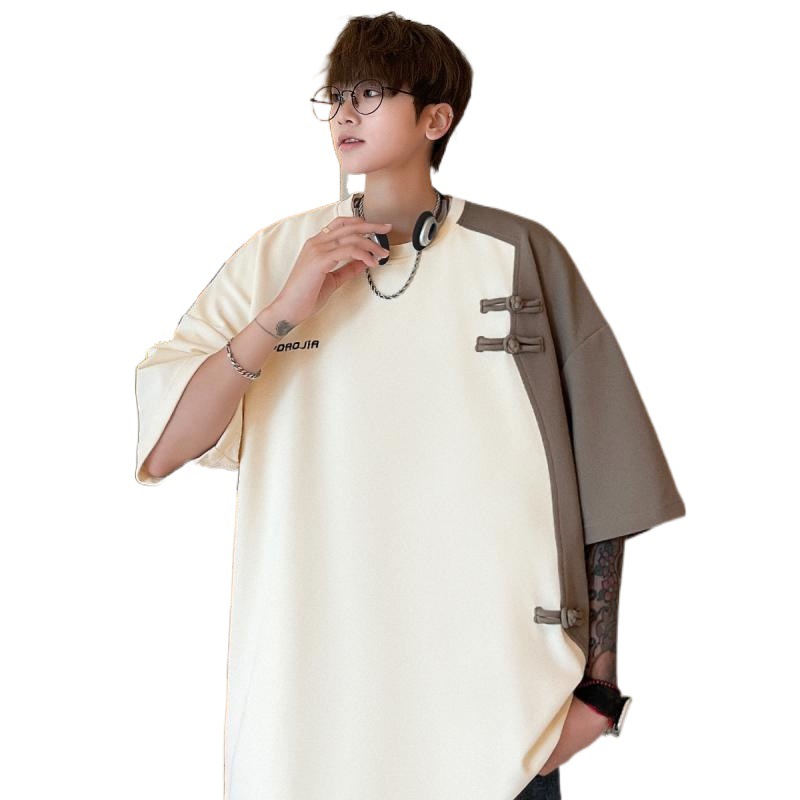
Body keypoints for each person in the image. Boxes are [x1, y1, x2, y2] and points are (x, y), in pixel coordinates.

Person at [134, 11, 685, 800]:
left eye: (371, 93)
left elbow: (611, 473)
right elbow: (164, 447)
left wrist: (599, 686)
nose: (346, 112)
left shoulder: (519, 254)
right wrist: (284, 310)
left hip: (496, 710)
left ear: (436, 119)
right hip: (310, 710)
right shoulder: (275, 259)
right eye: (337, 95)